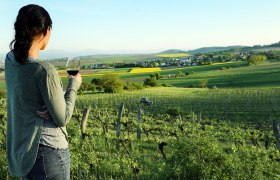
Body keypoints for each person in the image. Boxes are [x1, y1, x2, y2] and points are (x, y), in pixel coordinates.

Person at [5, 4, 82, 179]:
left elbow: (27, 94)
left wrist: (50, 103)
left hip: (25, 151)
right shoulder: (44, 70)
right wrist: (73, 85)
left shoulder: (9, 61)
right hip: (49, 153)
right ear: (47, 30)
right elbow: (63, 117)